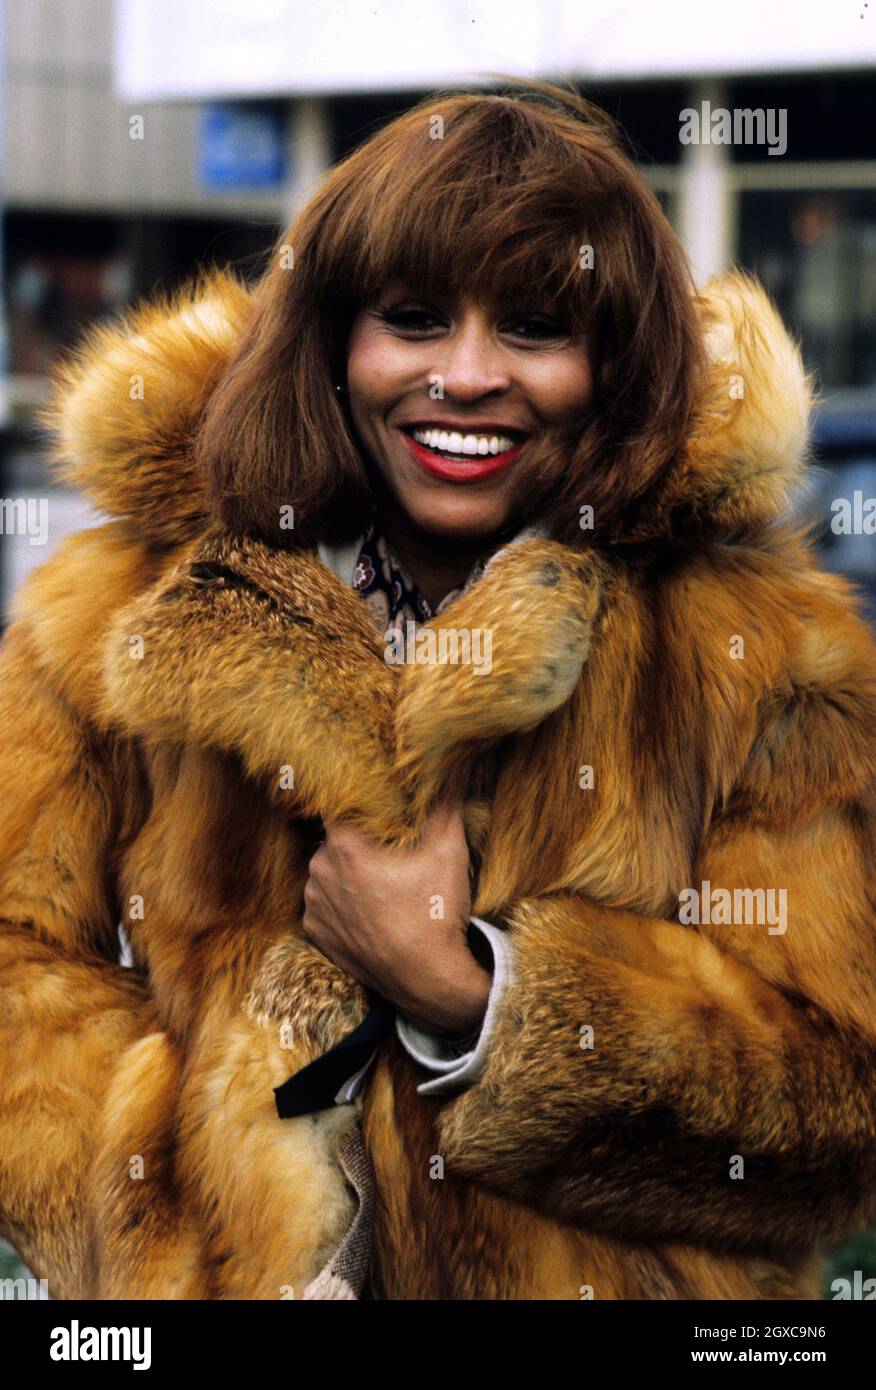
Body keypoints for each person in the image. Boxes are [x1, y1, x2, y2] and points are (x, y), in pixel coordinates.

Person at [2, 80, 876, 1301]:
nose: (465, 378)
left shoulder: (755, 647)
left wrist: (477, 995)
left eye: (534, 327)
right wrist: (168, 1206)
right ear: (333, 342)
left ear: (612, 358)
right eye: (411, 319)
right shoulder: (119, 602)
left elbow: (838, 1104)